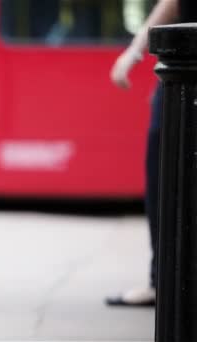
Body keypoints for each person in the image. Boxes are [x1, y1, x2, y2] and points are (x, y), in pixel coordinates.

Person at [106, 0, 196, 307]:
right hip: (184, 68)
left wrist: (132, 54)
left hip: (186, 69)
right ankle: (163, 281)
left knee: (165, 179)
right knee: (164, 176)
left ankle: (164, 283)